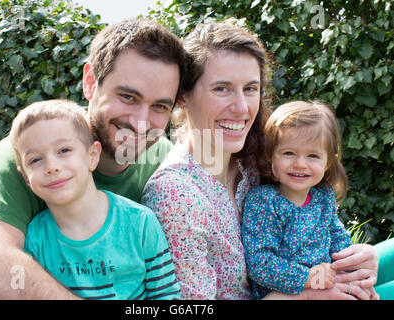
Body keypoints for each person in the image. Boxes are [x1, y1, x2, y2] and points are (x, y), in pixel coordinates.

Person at [0, 18, 186, 300]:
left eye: (159, 106)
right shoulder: (30, 154)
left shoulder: (168, 163)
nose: (141, 123)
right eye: (128, 97)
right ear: (90, 83)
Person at [141, 22, 379, 300]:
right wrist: (308, 296)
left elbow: (318, 224)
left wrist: (360, 258)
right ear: (183, 96)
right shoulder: (176, 195)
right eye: (222, 88)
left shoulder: (257, 161)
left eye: (251, 89)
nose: (242, 107)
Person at [9, 100, 180, 300]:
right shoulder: (36, 240)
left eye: (64, 150)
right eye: (35, 160)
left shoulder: (139, 222)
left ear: (92, 155)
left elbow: (167, 295)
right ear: (25, 178)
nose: (51, 166)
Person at [242, 100, 377, 299]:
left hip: (328, 285)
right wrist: (308, 278)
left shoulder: (323, 197)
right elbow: (259, 263)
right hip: (284, 293)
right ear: (271, 156)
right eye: (289, 153)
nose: (300, 164)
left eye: (313, 155)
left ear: (328, 161)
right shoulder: (263, 202)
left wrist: (354, 279)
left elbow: (338, 240)